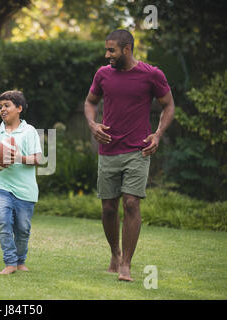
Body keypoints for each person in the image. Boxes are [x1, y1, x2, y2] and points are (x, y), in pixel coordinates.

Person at [84, 30, 175, 281]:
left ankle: (126, 263)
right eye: (106, 50)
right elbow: (90, 102)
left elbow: (168, 105)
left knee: (132, 203)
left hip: (138, 149)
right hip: (108, 149)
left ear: (127, 49)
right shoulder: (103, 74)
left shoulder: (151, 74)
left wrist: (157, 134)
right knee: (108, 208)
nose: (107, 54)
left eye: (111, 50)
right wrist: (93, 125)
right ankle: (115, 253)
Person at [0, 90, 42, 275]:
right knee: (2, 220)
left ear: (19, 108)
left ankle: (20, 261)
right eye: (0, 106)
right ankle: (10, 262)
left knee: (23, 229)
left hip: (26, 190)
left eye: (7, 105)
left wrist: (17, 157)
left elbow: (38, 159)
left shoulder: (29, 131)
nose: (2, 109)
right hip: (2, 187)